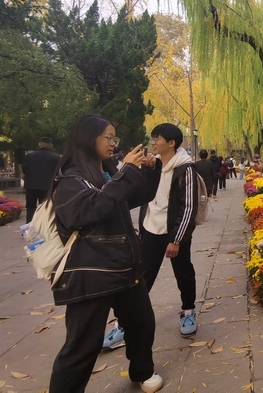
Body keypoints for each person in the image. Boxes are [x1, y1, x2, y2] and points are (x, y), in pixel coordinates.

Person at [49, 115, 163, 393]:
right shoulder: (70, 178)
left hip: (125, 267)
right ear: (88, 138)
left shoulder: (107, 171)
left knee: (141, 325)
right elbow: (90, 210)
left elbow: (136, 196)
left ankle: (142, 372)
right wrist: (127, 173)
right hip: (93, 272)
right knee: (82, 345)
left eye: (115, 138)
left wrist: (148, 170)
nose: (113, 143)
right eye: (108, 137)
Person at [139, 123, 199, 338]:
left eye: (157, 138)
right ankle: (130, 321)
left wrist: (176, 239)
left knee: (183, 272)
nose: (153, 142)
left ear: (171, 143)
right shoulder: (152, 165)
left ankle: (188, 311)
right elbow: (142, 195)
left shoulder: (185, 169)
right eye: (153, 138)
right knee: (142, 276)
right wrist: (145, 170)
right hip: (150, 230)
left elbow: (189, 207)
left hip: (175, 232)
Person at [22, 137, 61, 222]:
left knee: (30, 207)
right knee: (45, 208)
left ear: (39, 144)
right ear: (51, 145)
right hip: (47, 186)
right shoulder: (56, 158)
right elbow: (59, 172)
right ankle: (42, 227)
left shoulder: (29, 156)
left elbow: (24, 170)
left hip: (31, 185)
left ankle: (29, 227)